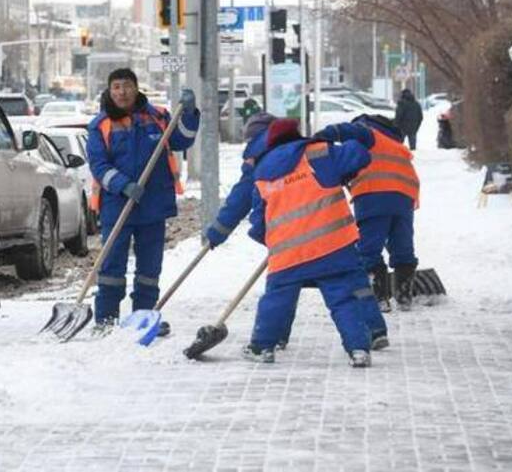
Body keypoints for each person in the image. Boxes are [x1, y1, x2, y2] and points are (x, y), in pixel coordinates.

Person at [206, 114, 389, 354]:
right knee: (345, 296)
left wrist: (225, 234)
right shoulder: (317, 152)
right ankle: (362, 345)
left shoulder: (260, 168)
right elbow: (359, 153)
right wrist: (343, 134)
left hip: (289, 252)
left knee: (277, 298)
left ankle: (264, 346)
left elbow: (252, 212)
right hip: (334, 245)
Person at [86, 68, 199, 332]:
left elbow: (182, 140)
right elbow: (99, 165)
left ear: (136, 88)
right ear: (109, 91)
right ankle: (106, 319)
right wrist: (122, 185)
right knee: (112, 265)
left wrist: (189, 113)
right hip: (117, 206)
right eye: (116, 87)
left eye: (127, 86)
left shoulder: (158, 117)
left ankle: (144, 317)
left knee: (149, 268)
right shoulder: (100, 125)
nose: (122, 92)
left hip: (153, 205)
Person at [314, 114, 419, 311]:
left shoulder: (368, 132)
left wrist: (322, 136)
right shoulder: (395, 143)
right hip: (405, 197)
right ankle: (404, 295)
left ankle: (378, 297)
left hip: (375, 195)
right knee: (402, 245)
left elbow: (347, 131)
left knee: (369, 247)